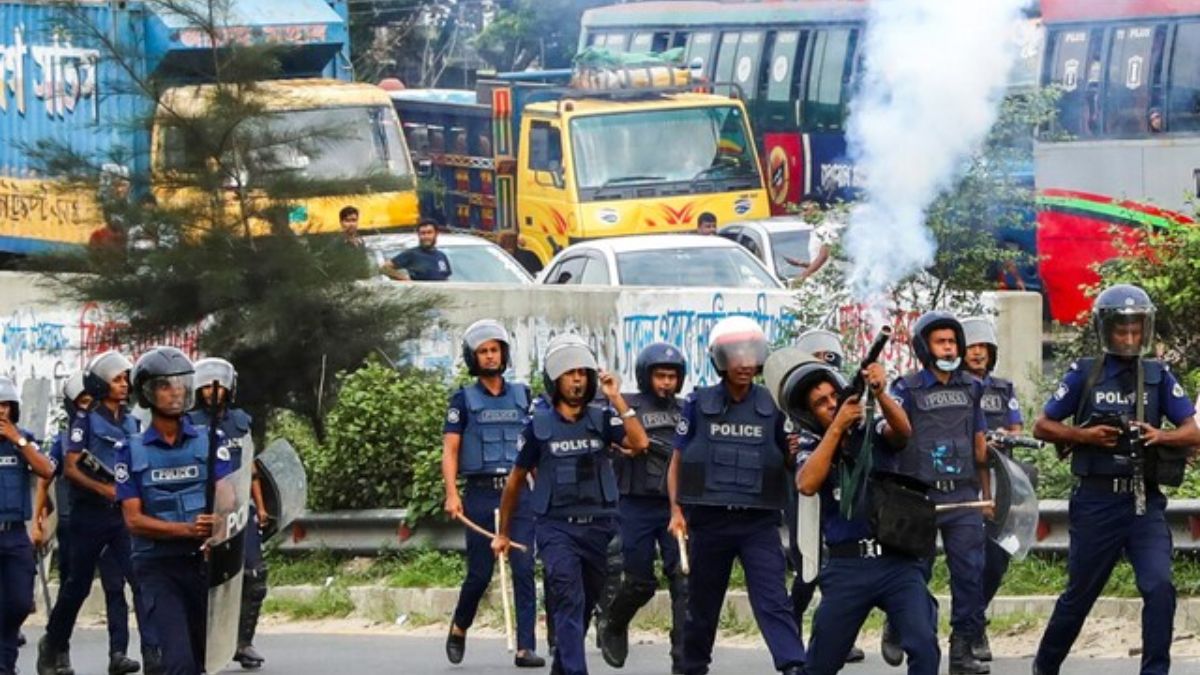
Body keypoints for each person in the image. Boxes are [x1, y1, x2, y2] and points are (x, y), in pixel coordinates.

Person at [1032, 285, 1200, 675]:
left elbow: (1192, 431)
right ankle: (1044, 666)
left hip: (1144, 501)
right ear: (1105, 329)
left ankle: (1154, 671)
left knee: (1159, 588)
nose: (1128, 338)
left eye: (1135, 330)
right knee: (1079, 596)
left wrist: (1161, 437)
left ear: (1145, 330)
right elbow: (1043, 426)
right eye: (1121, 330)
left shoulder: (1159, 375)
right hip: (1095, 502)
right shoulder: (1083, 374)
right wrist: (1083, 436)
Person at [492, 334, 648, 675]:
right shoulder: (539, 426)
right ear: (555, 380)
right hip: (555, 528)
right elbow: (516, 481)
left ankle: (563, 669)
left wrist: (617, 398)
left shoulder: (603, 418)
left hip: (599, 526)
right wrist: (503, 533)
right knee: (568, 601)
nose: (576, 379)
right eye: (568, 373)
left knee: (583, 608)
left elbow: (639, 443)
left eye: (581, 372)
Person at [668, 316, 807, 675]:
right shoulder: (698, 403)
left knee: (773, 599)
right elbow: (678, 460)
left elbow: (790, 462)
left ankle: (793, 665)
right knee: (702, 605)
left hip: (758, 522)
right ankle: (692, 667)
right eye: (736, 355)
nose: (745, 363)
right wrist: (675, 511)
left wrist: (792, 451)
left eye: (751, 354)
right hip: (709, 522)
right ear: (720, 359)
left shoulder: (774, 404)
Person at [789, 355, 939, 675]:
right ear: (809, 413)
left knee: (924, 645)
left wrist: (881, 393)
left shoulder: (871, 427)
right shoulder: (812, 443)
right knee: (820, 663)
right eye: (821, 403)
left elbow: (903, 431)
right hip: (847, 567)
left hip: (896, 562)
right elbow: (806, 484)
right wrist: (837, 428)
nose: (831, 404)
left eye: (834, 397)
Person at [879, 311, 991, 675]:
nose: (949, 347)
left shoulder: (973, 387)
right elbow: (892, 436)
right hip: (919, 499)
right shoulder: (906, 388)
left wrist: (990, 489)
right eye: (941, 341)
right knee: (914, 573)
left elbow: (979, 447)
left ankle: (962, 652)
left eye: (952, 341)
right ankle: (897, 624)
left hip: (964, 497)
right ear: (924, 347)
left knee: (970, 575)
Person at [116, 347, 235, 675]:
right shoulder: (129, 450)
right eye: (165, 385)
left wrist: (219, 525)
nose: (176, 392)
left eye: (181, 383)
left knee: (202, 661)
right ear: (147, 392)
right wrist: (186, 530)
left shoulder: (212, 440)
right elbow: (133, 520)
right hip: (157, 569)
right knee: (178, 663)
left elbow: (226, 495)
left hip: (202, 565)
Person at [39, 350, 159, 675]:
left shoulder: (133, 422)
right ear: (101, 383)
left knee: (139, 580)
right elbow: (72, 468)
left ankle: (153, 653)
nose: (123, 385)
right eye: (117, 379)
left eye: (125, 380)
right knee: (76, 586)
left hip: (120, 517)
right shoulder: (85, 420)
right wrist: (106, 490)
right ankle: (52, 644)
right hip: (88, 516)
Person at [442, 320, 544, 668]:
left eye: (494, 350)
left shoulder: (524, 395)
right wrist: (452, 494)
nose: (490, 356)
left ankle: (525, 646)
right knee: (480, 574)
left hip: (519, 495)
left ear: (503, 353)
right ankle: (459, 626)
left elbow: (534, 448)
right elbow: (451, 450)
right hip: (482, 495)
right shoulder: (463, 399)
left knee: (524, 567)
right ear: (474, 357)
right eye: (483, 351)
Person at [598, 343, 688, 673]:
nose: (666, 382)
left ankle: (683, 660)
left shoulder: (685, 410)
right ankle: (615, 623)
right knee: (640, 582)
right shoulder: (625, 405)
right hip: (634, 505)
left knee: (684, 581)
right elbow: (611, 438)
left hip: (673, 506)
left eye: (672, 376)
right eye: (660, 376)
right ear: (645, 376)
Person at [784, 329, 864, 663]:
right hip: (803, 496)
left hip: (836, 493)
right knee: (807, 569)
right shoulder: (789, 406)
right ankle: (791, 629)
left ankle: (833, 637)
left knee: (838, 568)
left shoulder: (844, 402)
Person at [185, 358, 269, 670]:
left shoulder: (241, 421)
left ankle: (242, 643)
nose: (212, 391)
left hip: (239, 510)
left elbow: (251, 467)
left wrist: (259, 507)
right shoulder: (188, 422)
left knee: (254, 576)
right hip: (204, 511)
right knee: (201, 580)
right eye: (205, 386)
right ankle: (201, 644)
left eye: (217, 385)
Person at [960, 316, 1024, 662]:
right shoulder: (952, 388)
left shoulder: (1003, 388)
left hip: (999, 483)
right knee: (969, 559)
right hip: (964, 484)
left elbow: (1017, 428)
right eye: (972, 347)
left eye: (984, 347)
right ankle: (970, 631)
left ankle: (976, 615)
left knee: (997, 559)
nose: (978, 353)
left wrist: (1002, 439)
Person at [0, 376, 55, 675]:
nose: (2, 411)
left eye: (7, 405)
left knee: (19, 602)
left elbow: (46, 469)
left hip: (14, 535)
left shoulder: (23, 441)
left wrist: (17, 440)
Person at [381, 220, 451, 281]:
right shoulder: (412, 254)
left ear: (436, 234)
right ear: (418, 235)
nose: (426, 236)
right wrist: (404, 279)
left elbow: (445, 277)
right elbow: (385, 268)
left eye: (429, 233)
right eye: (423, 233)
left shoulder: (441, 256)